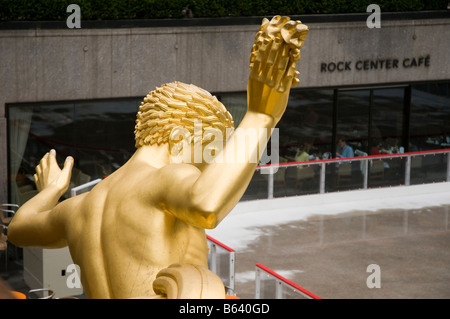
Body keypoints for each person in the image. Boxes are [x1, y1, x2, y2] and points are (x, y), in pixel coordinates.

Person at [7, 16, 309, 299]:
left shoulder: (79, 207)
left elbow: (20, 228)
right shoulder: (164, 179)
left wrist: (51, 191)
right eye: (209, 151)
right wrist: (260, 117)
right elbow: (207, 205)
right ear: (179, 139)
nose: (210, 166)